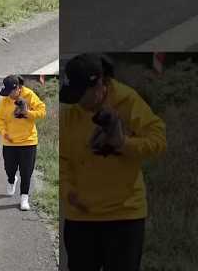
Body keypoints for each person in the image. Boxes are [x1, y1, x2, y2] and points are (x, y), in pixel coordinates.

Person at [59, 54, 167, 271]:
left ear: (100, 84)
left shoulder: (128, 101)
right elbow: (63, 159)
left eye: (82, 94)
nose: (78, 101)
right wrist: (68, 190)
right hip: (81, 216)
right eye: (74, 95)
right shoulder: (71, 112)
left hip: (124, 215)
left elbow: (158, 142)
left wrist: (122, 143)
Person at [0, 75, 46, 211]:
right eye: (6, 93)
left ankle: (24, 198)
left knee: (26, 171)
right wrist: (4, 133)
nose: (8, 96)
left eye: (10, 92)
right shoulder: (5, 101)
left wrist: (27, 113)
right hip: (9, 142)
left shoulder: (29, 95)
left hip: (28, 141)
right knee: (9, 169)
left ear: (18, 88)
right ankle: (12, 180)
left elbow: (42, 111)